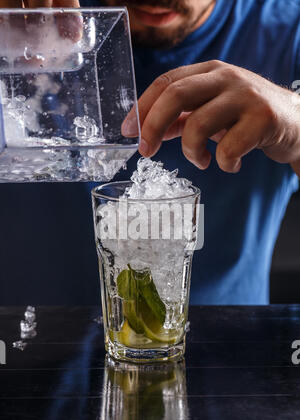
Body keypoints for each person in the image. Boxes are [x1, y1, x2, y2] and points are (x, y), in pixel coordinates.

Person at [0, 0, 299, 305]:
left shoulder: (289, 32)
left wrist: (294, 121)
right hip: (24, 346)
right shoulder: (23, 18)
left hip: (224, 346)